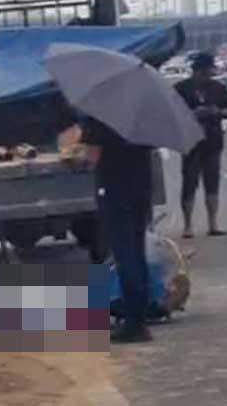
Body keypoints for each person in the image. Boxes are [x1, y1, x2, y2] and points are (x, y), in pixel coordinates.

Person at [81, 117, 153, 344]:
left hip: (114, 189)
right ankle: (140, 314)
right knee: (137, 250)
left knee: (125, 253)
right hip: (141, 187)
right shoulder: (144, 112)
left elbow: (92, 155)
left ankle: (133, 322)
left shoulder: (97, 114)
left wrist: (82, 160)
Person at [174, 52, 227, 239]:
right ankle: (188, 225)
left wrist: (217, 111)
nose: (206, 76)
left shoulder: (218, 88)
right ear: (195, 71)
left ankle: (213, 223)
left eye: (208, 73)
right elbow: (172, 112)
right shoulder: (180, 89)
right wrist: (191, 113)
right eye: (203, 73)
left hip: (213, 140)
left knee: (212, 181)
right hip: (190, 141)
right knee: (189, 182)